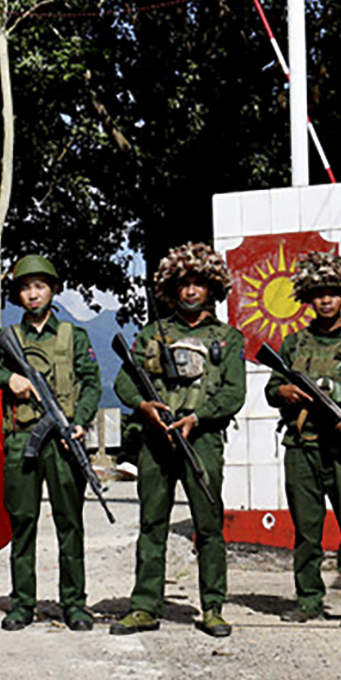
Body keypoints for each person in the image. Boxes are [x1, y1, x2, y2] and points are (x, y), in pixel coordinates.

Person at [110, 243, 246, 638]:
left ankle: (213, 607)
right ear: (172, 288)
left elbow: (233, 393)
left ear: (212, 288)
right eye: (183, 283)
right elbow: (124, 378)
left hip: (201, 441)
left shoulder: (227, 338)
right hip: (156, 442)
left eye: (199, 283)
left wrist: (197, 417)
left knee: (209, 525)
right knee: (152, 523)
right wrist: (143, 405)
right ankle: (144, 607)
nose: (190, 291)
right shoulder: (154, 333)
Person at [0, 254, 103, 632]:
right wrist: (9, 379)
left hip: (63, 442)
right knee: (23, 523)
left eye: (40, 286)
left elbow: (91, 382)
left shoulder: (75, 336)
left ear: (53, 289)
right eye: (25, 288)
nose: (32, 294)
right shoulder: (7, 339)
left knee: (70, 524)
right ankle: (22, 604)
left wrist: (78, 422)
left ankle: (74, 604)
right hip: (22, 441)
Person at [264, 251, 341, 627]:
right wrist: (284, 392)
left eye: (333, 293)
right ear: (308, 297)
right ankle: (307, 601)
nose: (325, 300)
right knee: (307, 531)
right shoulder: (293, 343)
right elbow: (273, 388)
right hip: (301, 447)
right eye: (318, 293)